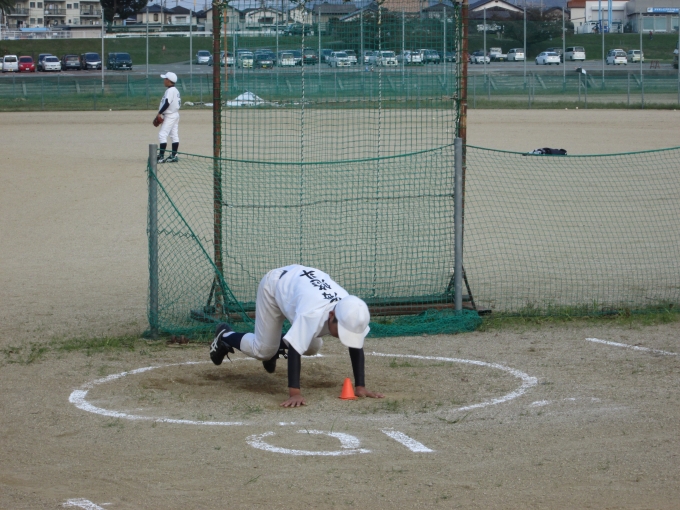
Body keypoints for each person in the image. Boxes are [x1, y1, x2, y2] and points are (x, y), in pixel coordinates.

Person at [209, 265, 385, 407]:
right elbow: (295, 348)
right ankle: (225, 335)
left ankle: (275, 345)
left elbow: (356, 345)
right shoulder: (312, 314)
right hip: (274, 287)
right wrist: (295, 393)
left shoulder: (352, 310)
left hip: (297, 287)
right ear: (331, 315)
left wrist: (360, 386)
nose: (343, 336)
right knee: (263, 350)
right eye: (342, 331)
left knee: (313, 346)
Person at [156, 72, 181, 163]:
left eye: (165, 79)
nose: (164, 80)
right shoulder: (176, 90)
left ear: (169, 80)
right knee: (174, 135)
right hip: (175, 114)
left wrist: (159, 113)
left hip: (170, 115)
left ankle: (161, 157)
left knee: (162, 134)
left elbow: (167, 103)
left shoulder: (170, 91)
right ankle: (174, 156)